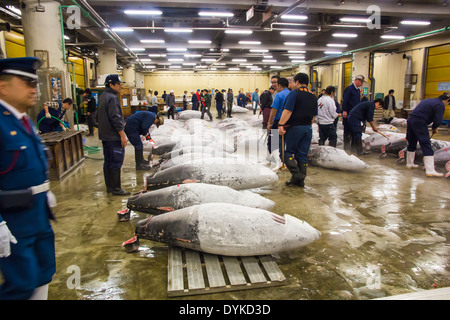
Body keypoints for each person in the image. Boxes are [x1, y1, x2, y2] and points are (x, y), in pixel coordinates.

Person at [0, 57, 56, 300]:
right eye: (25, 83)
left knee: (44, 273)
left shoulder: (24, 121)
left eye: (34, 83)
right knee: (21, 283)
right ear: (3, 86)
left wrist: (44, 190)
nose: (34, 89)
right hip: (13, 223)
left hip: (38, 215)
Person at [278, 73, 317, 188]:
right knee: (302, 154)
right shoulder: (313, 96)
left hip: (295, 128)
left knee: (286, 153)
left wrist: (281, 124)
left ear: (298, 82)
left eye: (294, 82)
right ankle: (300, 181)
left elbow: (288, 111)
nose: (293, 84)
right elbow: (314, 116)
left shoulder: (294, 93)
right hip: (308, 128)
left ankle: (297, 175)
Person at [97, 74, 129, 196]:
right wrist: (122, 134)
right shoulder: (112, 98)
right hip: (113, 136)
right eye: (118, 84)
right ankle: (116, 189)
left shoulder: (102, 96)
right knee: (116, 161)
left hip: (105, 136)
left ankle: (110, 187)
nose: (120, 86)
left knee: (108, 162)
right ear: (111, 85)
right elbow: (114, 117)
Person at [405, 93, 449, 177]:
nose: (447, 105)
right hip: (420, 121)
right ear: (447, 100)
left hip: (411, 119)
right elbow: (438, 119)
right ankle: (430, 170)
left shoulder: (428, 100)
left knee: (412, 141)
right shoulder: (440, 104)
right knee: (426, 143)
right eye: (448, 103)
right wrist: (435, 127)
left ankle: (409, 163)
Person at [267, 78, 290, 155]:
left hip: (278, 122)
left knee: (273, 143)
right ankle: (284, 159)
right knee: (286, 143)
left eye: (275, 83)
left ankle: (276, 159)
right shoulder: (292, 94)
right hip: (290, 122)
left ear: (279, 85)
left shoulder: (279, 95)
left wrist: (269, 123)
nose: (274, 85)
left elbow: (274, 110)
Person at [342, 75, 364, 151]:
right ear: (357, 80)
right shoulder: (349, 89)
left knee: (354, 132)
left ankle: (354, 149)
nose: (361, 84)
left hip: (355, 115)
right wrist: (344, 110)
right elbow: (345, 100)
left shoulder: (358, 91)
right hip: (348, 114)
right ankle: (346, 149)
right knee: (347, 132)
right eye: (361, 82)